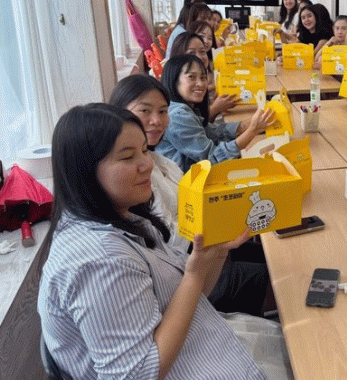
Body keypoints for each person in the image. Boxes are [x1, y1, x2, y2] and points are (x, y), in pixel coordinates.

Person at [38, 103, 292, 379]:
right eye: (127, 157)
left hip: (208, 342)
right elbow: (138, 375)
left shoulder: (125, 218)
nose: (147, 164)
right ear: (84, 171)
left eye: (144, 150)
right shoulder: (100, 260)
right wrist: (194, 274)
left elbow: (193, 298)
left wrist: (214, 254)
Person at [109, 75, 271, 317]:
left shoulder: (159, 160)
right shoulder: (134, 177)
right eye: (145, 111)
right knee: (277, 277)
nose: (156, 120)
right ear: (120, 113)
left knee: (270, 255)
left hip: (204, 249)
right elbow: (168, 237)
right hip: (187, 271)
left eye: (163, 111)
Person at [156, 55, 273, 172]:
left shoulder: (186, 108)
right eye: (191, 77)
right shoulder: (178, 116)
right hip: (189, 181)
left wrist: (254, 122)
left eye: (203, 78)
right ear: (174, 80)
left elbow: (215, 133)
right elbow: (212, 159)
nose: (200, 83)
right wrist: (252, 131)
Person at [168, 31, 237, 122]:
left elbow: (206, 126)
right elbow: (196, 123)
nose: (199, 57)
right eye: (191, 53)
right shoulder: (178, 112)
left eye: (202, 51)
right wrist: (215, 108)